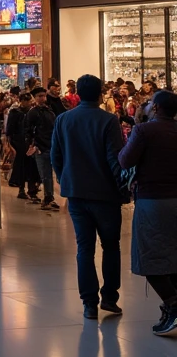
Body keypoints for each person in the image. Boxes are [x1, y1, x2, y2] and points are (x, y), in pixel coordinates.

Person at [50, 73, 126, 320]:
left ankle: (89, 303)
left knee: (84, 248)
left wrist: (65, 179)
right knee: (111, 246)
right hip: (105, 194)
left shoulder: (63, 120)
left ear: (77, 94)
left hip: (77, 193)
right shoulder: (108, 121)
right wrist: (123, 187)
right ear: (101, 93)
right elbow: (115, 158)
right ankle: (110, 297)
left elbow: (56, 156)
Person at [119, 89, 177, 336]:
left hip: (153, 200)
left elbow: (125, 160)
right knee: (174, 253)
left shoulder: (144, 131)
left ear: (155, 108)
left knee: (150, 256)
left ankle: (173, 305)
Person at [24, 87, 60, 212]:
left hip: (50, 146)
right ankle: (48, 198)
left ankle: (49, 197)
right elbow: (28, 131)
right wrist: (33, 145)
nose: (42, 98)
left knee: (48, 174)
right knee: (45, 174)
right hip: (40, 147)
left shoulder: (49, 110)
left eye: (44, 95)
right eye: (39, 96)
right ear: (35, 97)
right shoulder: (33, 113)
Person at [6, 91, 38, 201]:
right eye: (28, 100)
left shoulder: (31, 112)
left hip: (28, 143)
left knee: (30, 166)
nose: (30, 103)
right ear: (23, 101)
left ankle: (31, 188)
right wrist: (10, 144)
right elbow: (9, 129)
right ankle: (21, 188)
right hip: (18, 143)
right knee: (21, 166)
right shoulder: (15, 113)